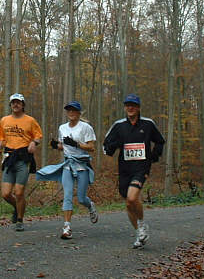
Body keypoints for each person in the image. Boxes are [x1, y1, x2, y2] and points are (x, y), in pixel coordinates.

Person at [103, 94, 165, 248]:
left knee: (132, 198)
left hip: (141, 167)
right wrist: (112, 147)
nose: (130, 108)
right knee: (129, 204)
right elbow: (106, 145)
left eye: (133, 105)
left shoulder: (148, 124)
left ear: (138, 108)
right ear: (125, 107)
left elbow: (160, 141)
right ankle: (139, 232)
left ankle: (142, 224)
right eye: (127, 105)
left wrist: (153, 156)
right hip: (124, 169)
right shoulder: (119, 125)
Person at [36, 100, 98, 240]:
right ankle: (67, 227)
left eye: (73, 110)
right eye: (68, 110)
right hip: (68, 165)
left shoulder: (86, 127)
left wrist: (76, 144)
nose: (71, 112)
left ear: (78, 112)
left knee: (81, 198)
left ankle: (90, 205)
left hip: (82, 165)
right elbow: (63, 146)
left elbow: (92, 147)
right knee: (67, 195)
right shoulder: (62, 128)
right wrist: (55, 145)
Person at [0, 93, 42, 231]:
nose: (15, 105)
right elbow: (2, 138)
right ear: (10, 105)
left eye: (18, 102)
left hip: (23, 158)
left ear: (23, 105)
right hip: (9, 158)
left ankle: (20, 220)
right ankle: (17, 206)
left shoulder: (30, 120)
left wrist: (34, 142)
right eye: (13, 102)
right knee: (6, 194)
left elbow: (38, 135)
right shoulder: (4, 120)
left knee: (19, 192)